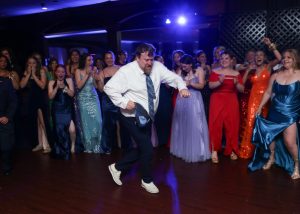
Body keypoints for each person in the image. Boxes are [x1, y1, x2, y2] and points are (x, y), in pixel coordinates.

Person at [104, 43, 190, 194]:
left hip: (147, 116)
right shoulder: (126, 71)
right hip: (130, 116)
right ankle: (147, 180)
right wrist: (124, 102)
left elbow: (174, 78)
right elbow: (108, 88)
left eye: (151, 59)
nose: (149, 63)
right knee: (148, 148)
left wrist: (182, 87)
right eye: (146, 60)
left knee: (143, 148)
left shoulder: (157, 67)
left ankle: (117, 167)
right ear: (137, 58)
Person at [248, 49, 300, 179]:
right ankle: (271, 157)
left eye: (289, 57)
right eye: (284, 57)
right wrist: (260, 107)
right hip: (275, 110)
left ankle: (297, 164)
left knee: (289, 142)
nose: (286, 60)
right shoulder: (276, 75)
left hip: (290, 113)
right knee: (270, 138)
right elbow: (268, 92)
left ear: (295, 59)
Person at [239, 38, 282, 159]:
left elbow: (279, 59)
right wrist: (247, 70)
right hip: (253, 98)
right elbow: (241, 83)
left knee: (263, 124)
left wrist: (270, 45)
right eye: (256, 55)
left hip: (265, 98)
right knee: (250, 122)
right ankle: (248, 151)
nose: (258, 56)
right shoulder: (252, 69)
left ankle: (265, 153)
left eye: (261, 55)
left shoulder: (268, 67)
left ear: (264, 57)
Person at [170, 54, 211, 162]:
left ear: (191, 64)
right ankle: (182, 150)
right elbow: (176, 85)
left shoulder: (199, 70)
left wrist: (190, 83)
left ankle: (198, 151)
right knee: (182, 124)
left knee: (195, 124)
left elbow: (202, 85)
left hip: (195, 99)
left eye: (185, 67)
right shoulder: (180, 71)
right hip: (182, 99)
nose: (183, 68)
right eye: (182, 66)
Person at [209, 50, 244, 163]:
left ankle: (233, 149)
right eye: (222, 59)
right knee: (216, 124)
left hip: (231, 100)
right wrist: (219, 82)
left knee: (232, 124)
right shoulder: (215, 72)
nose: (224, 61)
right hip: (217, 99)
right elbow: (210, 86)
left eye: (226, 58)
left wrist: (236, 84)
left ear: (231, 60)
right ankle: (214, 150)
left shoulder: (236, 73)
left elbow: (242, 89)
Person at [75, 54, 103, 153]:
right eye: (88, 60)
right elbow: (78, 86)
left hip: (94, 98)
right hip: (83, 99)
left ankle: (97, 145)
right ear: (84, 61)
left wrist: (95, 76)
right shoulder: (78, 71)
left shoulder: (93, 70)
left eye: (91, 60)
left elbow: (95, 86)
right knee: (86, 122)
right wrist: (87, 74)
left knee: (97, 121)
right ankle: (89, 146)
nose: (91, 62)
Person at [48, 65, 75, 159]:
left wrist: (65, 88)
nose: (60, 73)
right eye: (58, 71)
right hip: (57, 110)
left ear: (65, 73)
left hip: (67, 109)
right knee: (59, 131)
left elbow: (72, 94)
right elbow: (50, 97)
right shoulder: (51, 82)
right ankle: (62, 151)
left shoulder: (69, 81)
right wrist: (56, 88)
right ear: (55, 73)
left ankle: (72, 146)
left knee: (72, 130)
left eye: (62, 72)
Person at [0, 56, 17, 175]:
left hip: (4, 119)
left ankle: (6, 169)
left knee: (6, 146)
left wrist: (7, 116)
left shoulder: (7, 81)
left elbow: (13, 101)